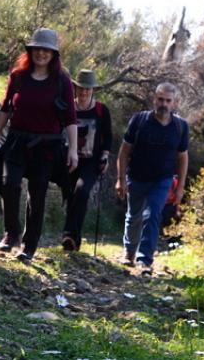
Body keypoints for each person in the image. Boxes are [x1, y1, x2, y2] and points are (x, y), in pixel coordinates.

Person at [0, 28, 78, 262]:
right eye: (38, 49)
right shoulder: (18, 76)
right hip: (17, 140)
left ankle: (29, 246)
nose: (41, 53)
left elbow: (70, 118)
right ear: (31, 51)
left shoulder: (62, 82)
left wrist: (74, 150)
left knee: (37, 196)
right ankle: (11, 234)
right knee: (9, 183)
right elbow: (5, 108)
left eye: (46, 50)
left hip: (47, 147)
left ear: (53, 54)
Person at [115, 82, 189, 275]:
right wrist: (120, 179)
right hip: (137, 177)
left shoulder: (180, 127)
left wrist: (180, 187)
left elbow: (182, 157)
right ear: (154, 99)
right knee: (134, 216)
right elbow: (124, 152)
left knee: (153, 214)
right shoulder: (140, 121)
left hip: (162, 180)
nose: (163, 103)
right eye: (160, 99)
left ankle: (144, 259)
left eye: (168, 100)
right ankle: (129, 253)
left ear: (175, 103)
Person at [59, 68, 113, 251]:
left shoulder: (101, 110)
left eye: (88, 89)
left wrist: (105, 156)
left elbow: (108, 137)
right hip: (69, 160)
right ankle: (73, 239)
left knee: (81, 191)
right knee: (70, 195)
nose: (84, 92)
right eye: (81, 88)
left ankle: (69, 235)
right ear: (75, 88)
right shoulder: (68, 107)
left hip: (91, 162)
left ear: (93, 91)